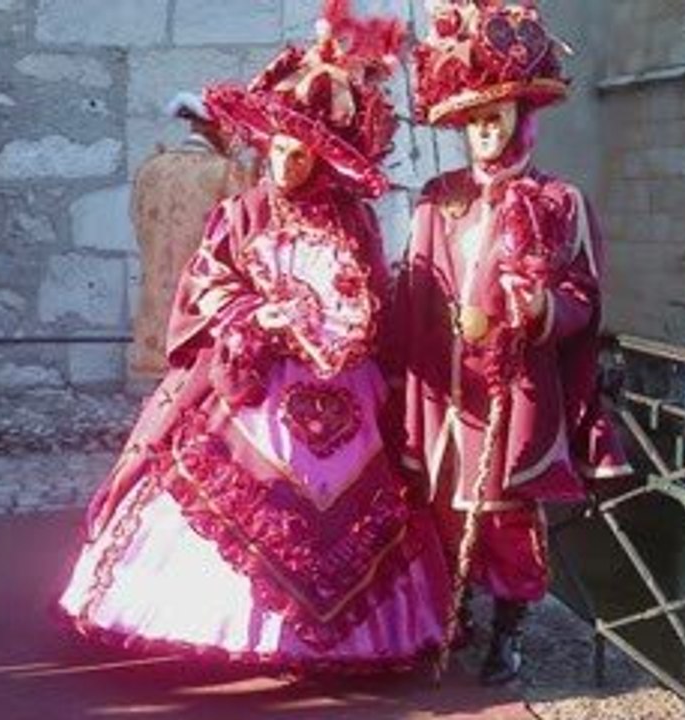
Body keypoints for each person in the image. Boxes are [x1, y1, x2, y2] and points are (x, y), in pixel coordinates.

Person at [60, 0, 451, 673]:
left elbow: (371, 298)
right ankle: (225, 623)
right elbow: (205, 283)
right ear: (264, 141)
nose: (287, 165)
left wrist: (347, 332)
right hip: (253, 380)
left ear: (323, 159)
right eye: (278, 148)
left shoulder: (352, 222)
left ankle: (340, 634)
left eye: (303, 154)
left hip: (339, 389)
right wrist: (255, 316)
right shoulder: (240, 210)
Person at [394, 1, 631, 684]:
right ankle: (453, 610)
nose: (483, 135)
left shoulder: (561, 202)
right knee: (440, 511)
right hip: (446, 393)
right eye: (472, 123)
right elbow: (415, 291)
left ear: (523, 119)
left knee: (503, 519)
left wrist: (537, 310)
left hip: (514, 390)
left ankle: (509, 631)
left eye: (494, 120)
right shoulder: (438, 199)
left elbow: (584, 301)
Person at [128, 91, 254, 380]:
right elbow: (246, 235)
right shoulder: (226, 172)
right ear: (220, 127)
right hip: (200, 296)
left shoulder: (152, 167)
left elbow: (137, 219)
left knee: (160, 383)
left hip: (155, 292)